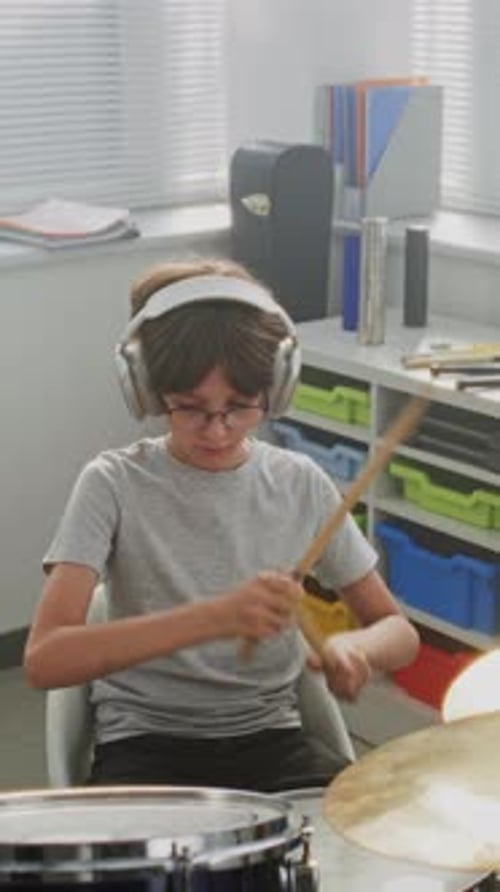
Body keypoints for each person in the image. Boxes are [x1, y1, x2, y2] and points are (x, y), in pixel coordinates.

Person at [24, 258, 419, 792]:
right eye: (190, 408)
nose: (217, 430)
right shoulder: (112, 483)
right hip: (145, 745)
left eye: (241, 406)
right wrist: (212, 618)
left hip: (271, 740)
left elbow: (399, 632)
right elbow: (46, 660)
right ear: (145, 389)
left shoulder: (300, 483)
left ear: (275, 390)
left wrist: (358, 650)